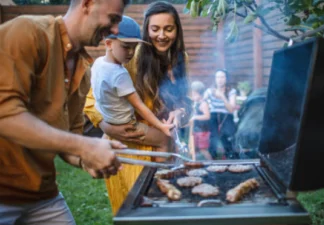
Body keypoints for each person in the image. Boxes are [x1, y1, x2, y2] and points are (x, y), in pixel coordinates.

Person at [0, 0, 131, 224]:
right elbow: (5, 114)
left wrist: (85, 159)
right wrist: (84, 146)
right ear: (88, 4)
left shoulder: (83, 70)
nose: (116, 30)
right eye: (113, 19)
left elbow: (70, 137)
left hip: (42, 194)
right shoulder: (27, 32)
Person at [84, 1, 192, 214]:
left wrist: (180, 113)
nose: (162, 35)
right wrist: (107, 125)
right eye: (155, 29)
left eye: (168, 29)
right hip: (130, 149)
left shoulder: (181, 58)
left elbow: (185, 101)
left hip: (166, 147)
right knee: (134, 213)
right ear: (146, 30)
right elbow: (91, 100)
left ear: (177, 31)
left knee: (164, 209)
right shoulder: (130, 54)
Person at [91, 15, 174, 155]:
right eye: (126, 47)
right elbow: (139, 106)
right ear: (109, 43)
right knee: (164, 140)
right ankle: (160, 175)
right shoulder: (119, 74)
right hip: (127, 125)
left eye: (134, 47)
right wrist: (161, 126)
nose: (131, 52)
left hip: (107, 117)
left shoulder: (98, 63)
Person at [204, 69, 238, 159]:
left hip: (226, 116)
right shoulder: (209, 91)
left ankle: (231, 159)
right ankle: (214, 160)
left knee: (227, 138)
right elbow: (202, 103)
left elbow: (231, 109)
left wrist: (222, 96)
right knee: (213, 138)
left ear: (226, 79)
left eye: (222, 77)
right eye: (218, 77)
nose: (220, 79)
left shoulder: (231, 91)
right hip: (213, 116)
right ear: (215, 79)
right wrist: (205, 102)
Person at [190, 81, 212, 160]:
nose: (193, 96)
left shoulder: (203, 104)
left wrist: (195, 117)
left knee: (203, 150)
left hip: (203, 131)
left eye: (194, 94)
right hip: (197, 130)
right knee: (195, 149)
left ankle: (212, 164)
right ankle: (196, 164)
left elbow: (207, 116)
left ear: (200, 94)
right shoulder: (196, 103)